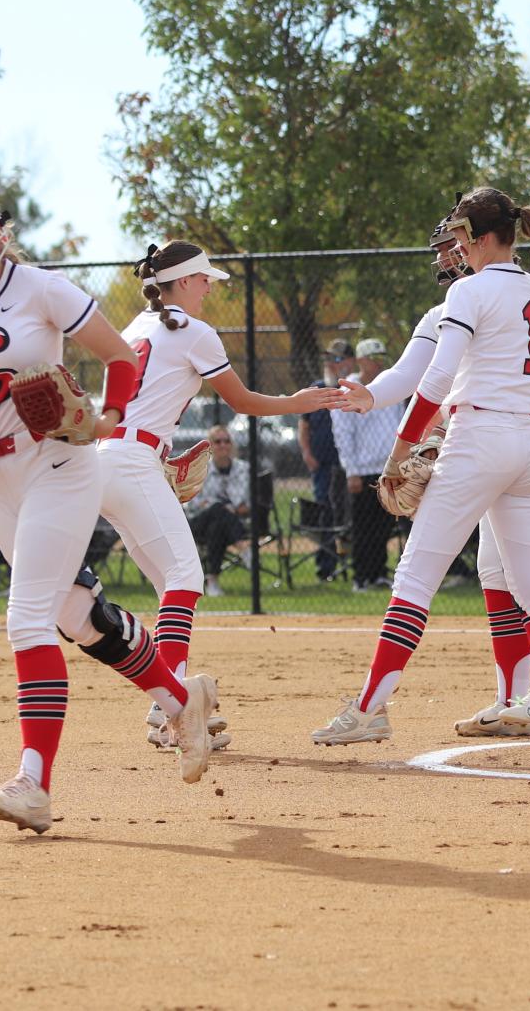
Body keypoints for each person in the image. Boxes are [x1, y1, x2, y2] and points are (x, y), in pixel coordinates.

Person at [0, 183, 218, 834]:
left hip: (60, 461)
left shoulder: (42, 288)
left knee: (26, 620)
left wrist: (108, 415)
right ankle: (181, 700)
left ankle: (33, 783)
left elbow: (120, 355)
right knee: (75, 616)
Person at [312, 187, 530, 757]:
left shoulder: (470, 292)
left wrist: (399, 452)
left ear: (473, 238)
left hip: (485, 438)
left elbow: (433, 382)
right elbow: (429, 374)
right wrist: (375, 399)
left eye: (457, 236)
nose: (452, 246)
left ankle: (370, 709)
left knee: (413, 578)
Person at [99, 240, 344, 746]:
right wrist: (297, 402)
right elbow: (243, 402)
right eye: (204, 278)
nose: (209, 286)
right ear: (184, 281)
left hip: (106, 460)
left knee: (172, 583)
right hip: (132, 461)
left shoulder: (137, 326)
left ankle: (163, 705)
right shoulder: (194, 332)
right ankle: (174, 713)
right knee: (186, 577)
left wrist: (156, 457)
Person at [330, 340, 401, 589]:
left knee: (384, 525)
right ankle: (361, 577)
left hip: (387, 468)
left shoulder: (389, 387)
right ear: (361, 360)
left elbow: (399, 424)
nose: (379, 362)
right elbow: (343, 434)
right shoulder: (348, 388)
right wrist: (351, 470)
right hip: (361, 470)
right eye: (374, 357)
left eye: (381, 357)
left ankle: (379, 572)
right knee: (363, 526)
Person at [298, 339, 353, 579]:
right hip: (323, 465)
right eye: (328, 359)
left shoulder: (355, 389)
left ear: (350, 362)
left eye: (337, 359)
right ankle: (326, 568)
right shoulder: (318, 388)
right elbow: (304, 424)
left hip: (350, 466)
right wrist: (307, 453)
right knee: (325, 512)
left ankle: (354, 563)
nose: (330, 363)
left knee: (350, 514)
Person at [182, 425, 255, 596]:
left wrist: (223, 506)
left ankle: (212, 581)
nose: (223, 445)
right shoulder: (200, 469)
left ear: (232, 444)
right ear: (210, 446)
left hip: (228, 523)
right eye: (217, 441)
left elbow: (246, 502)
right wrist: (220, 506)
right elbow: (191, 503)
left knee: (217, 526)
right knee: (217, 509)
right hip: (199, 521)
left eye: (227, 441)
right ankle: (243, 548)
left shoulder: (243, 469)